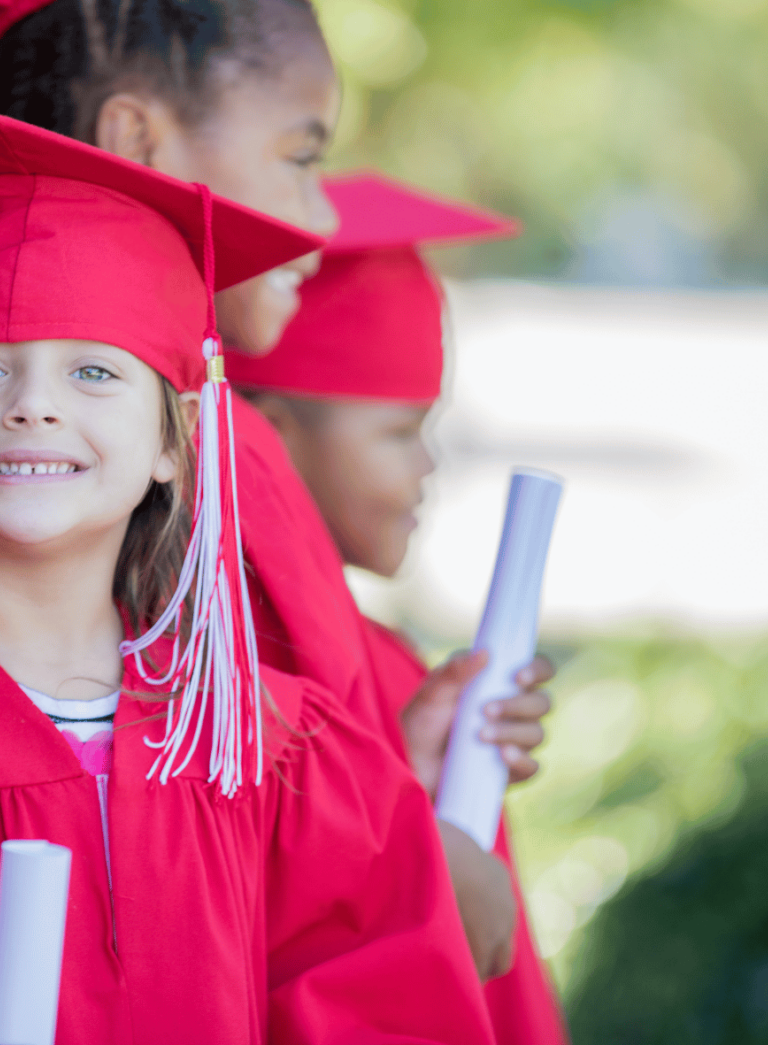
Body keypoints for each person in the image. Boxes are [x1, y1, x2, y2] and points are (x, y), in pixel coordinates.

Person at [0, 114, 495, 1044]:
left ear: (174, 441)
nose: (33, 404)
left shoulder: (266, 743)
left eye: (92, 372)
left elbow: (396, 994)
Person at [0, 0, 555, 985]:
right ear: (137, 140)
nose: (320, 217)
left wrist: (399, 770)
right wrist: (419, 867)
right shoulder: (168, 460)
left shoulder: (218, 444)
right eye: (299, 157)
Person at [226, 171, 569, 1044]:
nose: (427, 467)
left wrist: (427, 778)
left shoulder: (390, 666)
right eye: (397, 431)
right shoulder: (227, 672)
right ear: (266, 427)